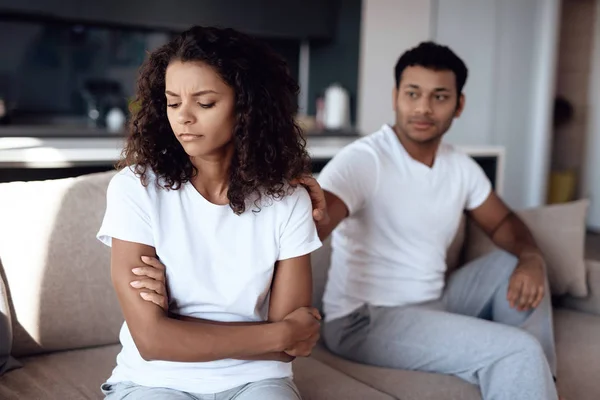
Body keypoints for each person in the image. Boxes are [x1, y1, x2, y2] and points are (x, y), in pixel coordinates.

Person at [314, 42, 559, 400]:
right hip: (363, 320)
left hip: (435, 301)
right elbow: (314, 224)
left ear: (459, 104)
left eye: (439, 96)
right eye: (413, 93)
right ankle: (522, 365)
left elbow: (503, 222)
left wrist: (532, 258)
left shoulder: (459, 166)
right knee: (517, 349)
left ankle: (539, 380)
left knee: (519, 263)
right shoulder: (365, 160)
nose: (423, 108)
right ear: (396, 96)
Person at [96, 26, 323, 400]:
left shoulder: (289, 200)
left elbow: (290, 346)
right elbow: (152, 341)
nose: (184, 117)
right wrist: (275, 332)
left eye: (204, 103)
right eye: (172, 102)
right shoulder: (135, 188)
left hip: (259, 381)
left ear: (247, 108)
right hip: (153, 381)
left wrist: (178, 325)